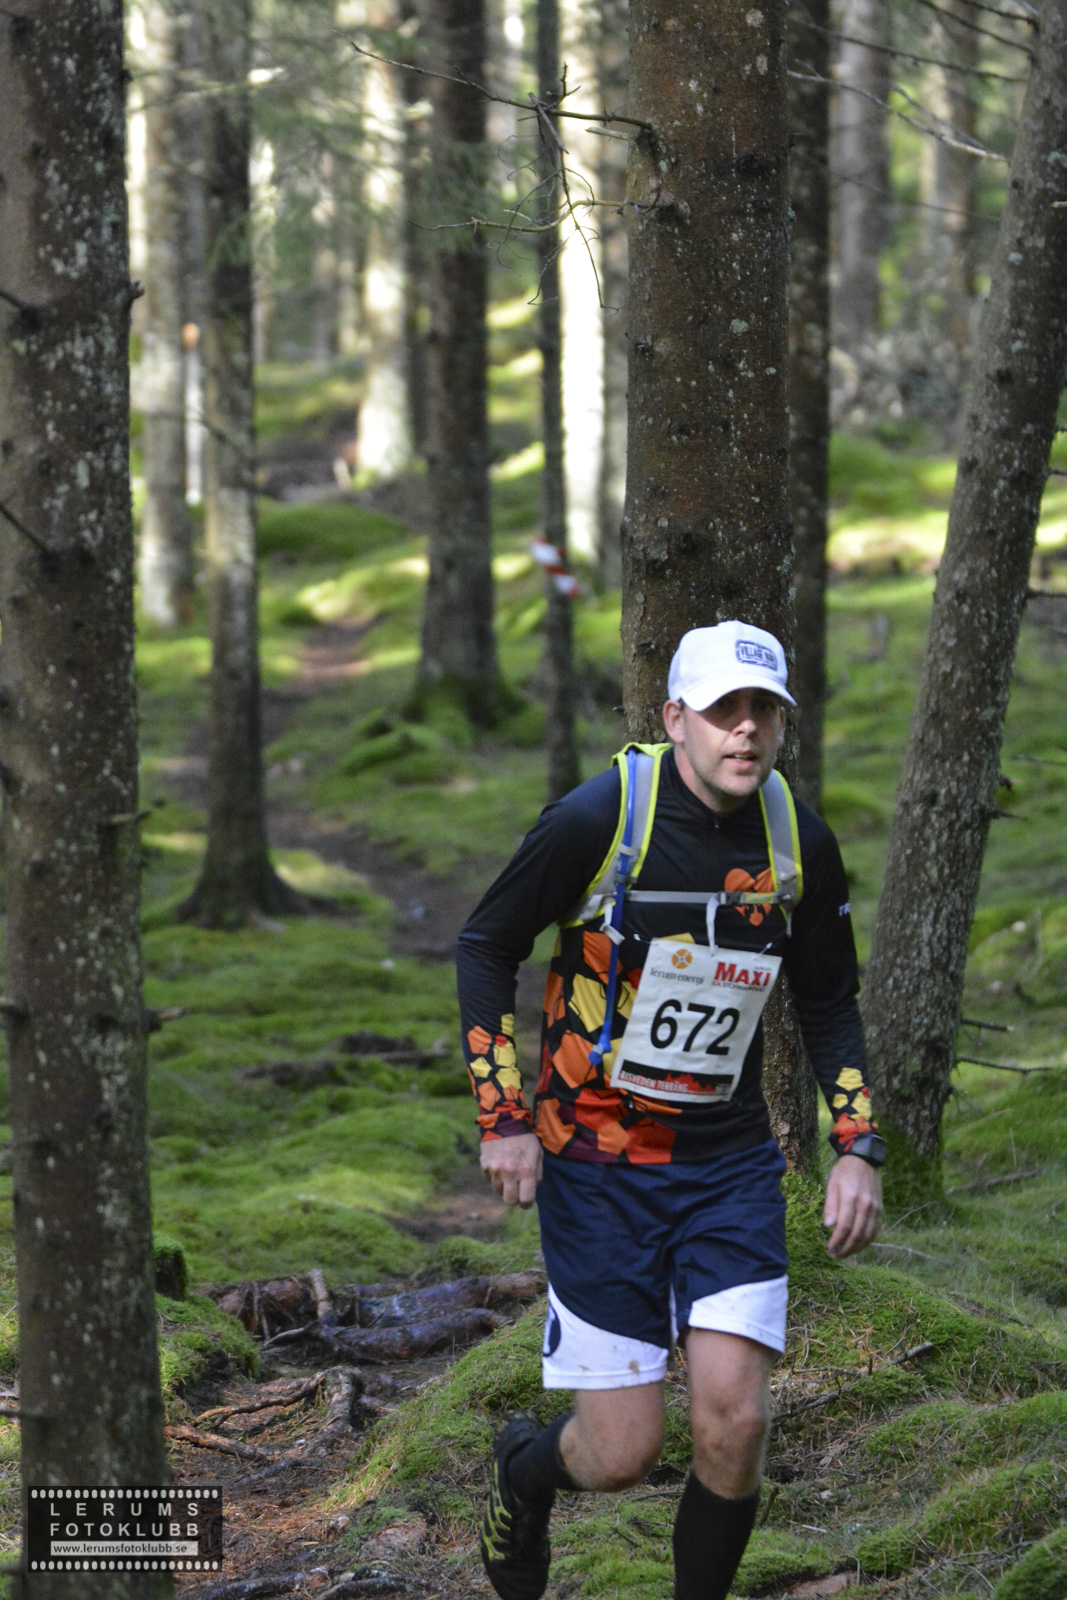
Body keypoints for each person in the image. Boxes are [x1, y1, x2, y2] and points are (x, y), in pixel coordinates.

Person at [456, 620, 884, 1600]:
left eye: (764, 711)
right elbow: (485, 944)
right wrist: (502, 1115)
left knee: (735, 1421)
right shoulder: (599, 817)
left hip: (727, 1166)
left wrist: (856, 1144)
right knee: (621, 1453)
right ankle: (524, 1472)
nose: (746, 729)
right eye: (725, 709)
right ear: (675, 717)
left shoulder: (797, 839)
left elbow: (828, 999)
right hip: (596, 1166)